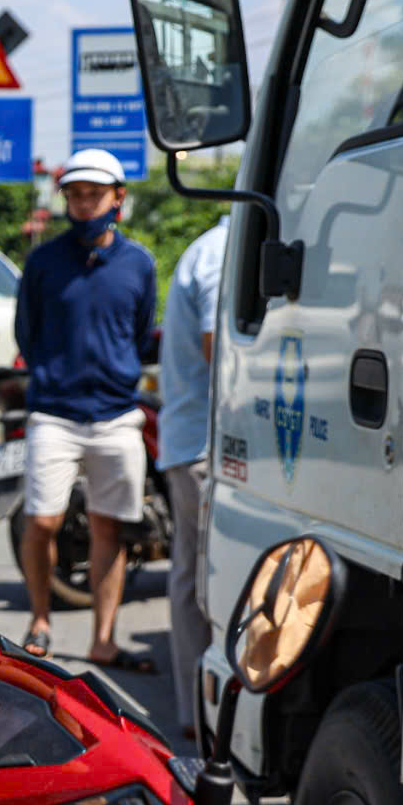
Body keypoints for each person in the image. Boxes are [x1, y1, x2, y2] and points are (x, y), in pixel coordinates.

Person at [14, 147, 157, 667]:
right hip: (54, 411)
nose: (83, 204)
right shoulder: (44, 262)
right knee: (43, 521)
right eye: (74, 195)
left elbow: (140, 333)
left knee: (107, 527)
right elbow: (26, 333)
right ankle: (40, 618)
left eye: (93, 195)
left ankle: (104, 638)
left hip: (117, 414)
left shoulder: (139, 264)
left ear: (118, 198)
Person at [158, 215, 230, 740]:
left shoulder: (212, 245)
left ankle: (194, 709)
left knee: (192, 571)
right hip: (206, 445)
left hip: (193, 440)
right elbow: (216, 345)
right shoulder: (225, 251)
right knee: (207, 578)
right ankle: (204, 712)